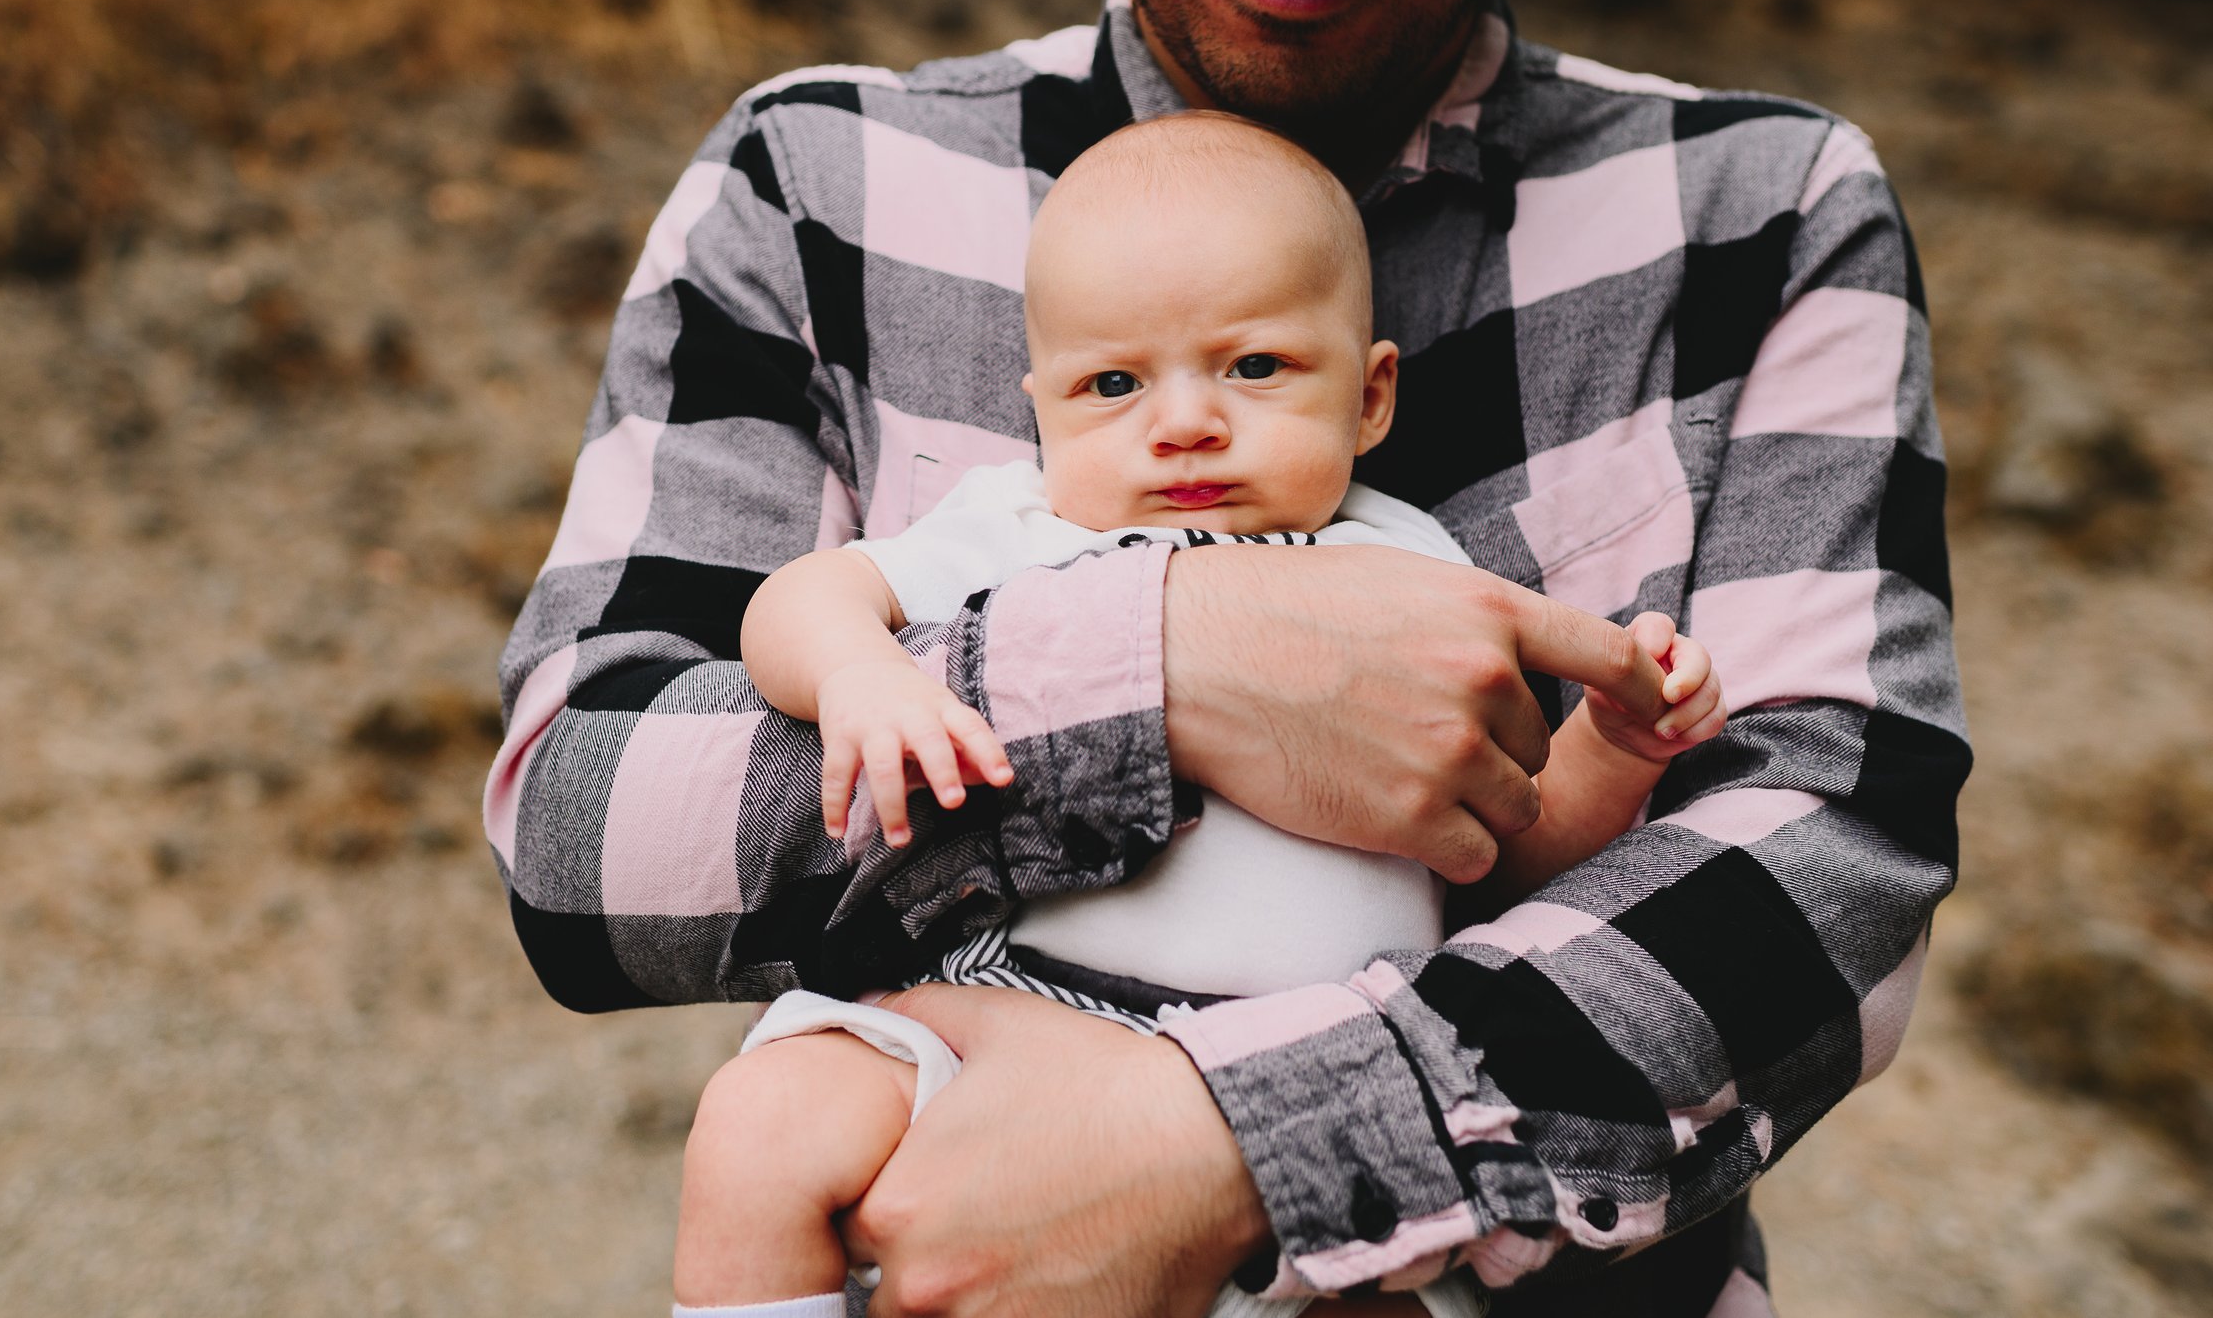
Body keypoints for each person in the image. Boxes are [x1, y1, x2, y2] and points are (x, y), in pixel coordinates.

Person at [482, 0, 1970, 1312]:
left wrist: (1237, 1145)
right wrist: (1167, 674)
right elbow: (580, 836)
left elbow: (1828, 864)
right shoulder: (815, 184)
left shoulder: (1763, 219)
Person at [670, 112, 1728, 1318]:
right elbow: (800, 598)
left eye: (1254, 367)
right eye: (1112, 383)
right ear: (1042, 409)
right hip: (1005, 1011)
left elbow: (1504, 845)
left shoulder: (1420, 573)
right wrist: (858, 670)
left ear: (1371, 394)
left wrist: (1614, 743)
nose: (1182, 422)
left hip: (1306, 1086)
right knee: (762, 1119)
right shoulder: (1021, 523)